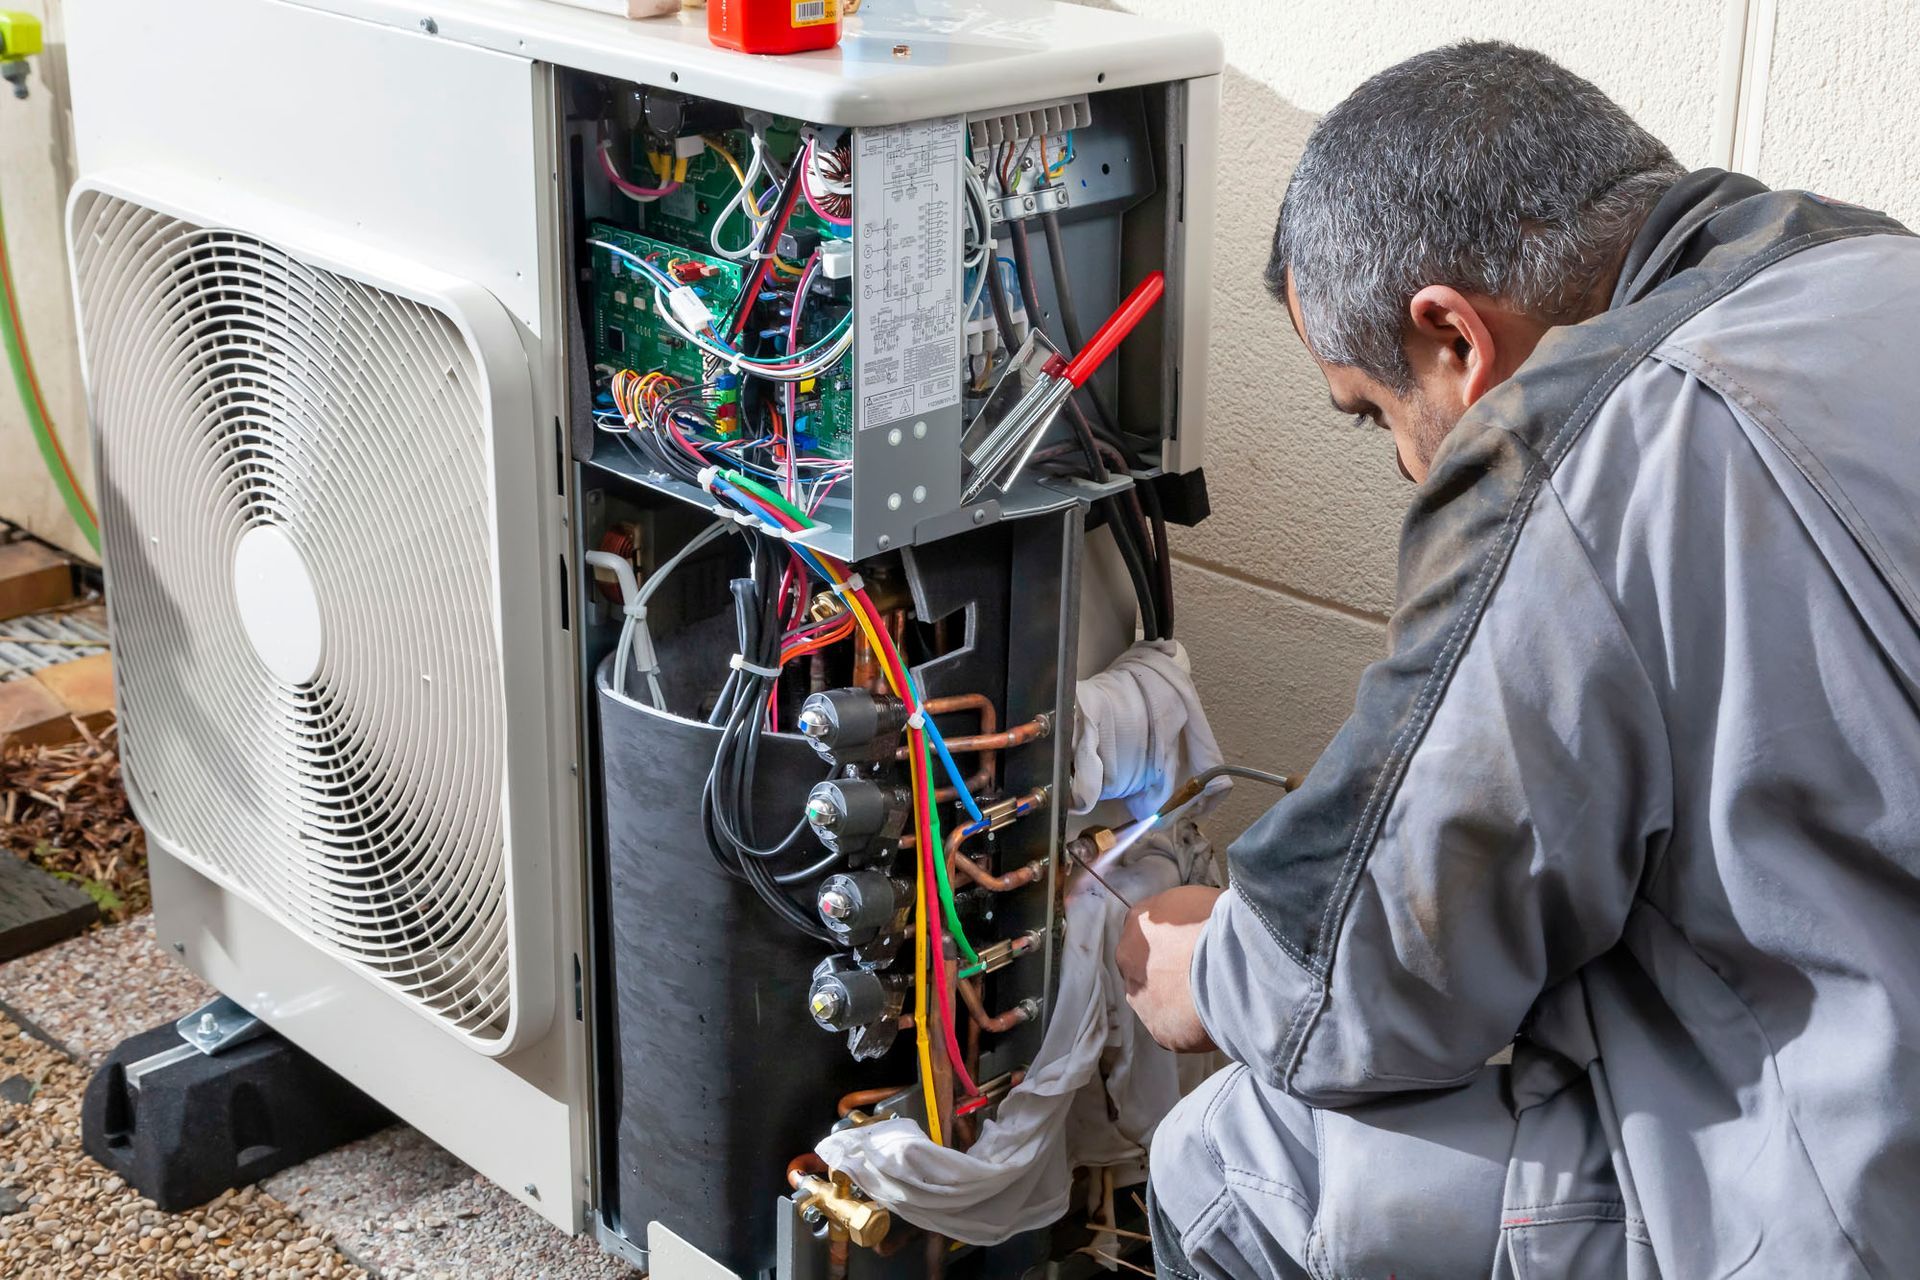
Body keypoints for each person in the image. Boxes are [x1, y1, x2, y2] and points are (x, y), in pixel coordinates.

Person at [1118, 40, 1920, 1279]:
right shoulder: (1871, 271)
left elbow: (1379, 980)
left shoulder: (1585, 436)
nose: (1401, 465)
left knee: (1236, 1162)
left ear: (1452, 340)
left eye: (1374, 415)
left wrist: (1209, 971)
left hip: (1863, 1213)